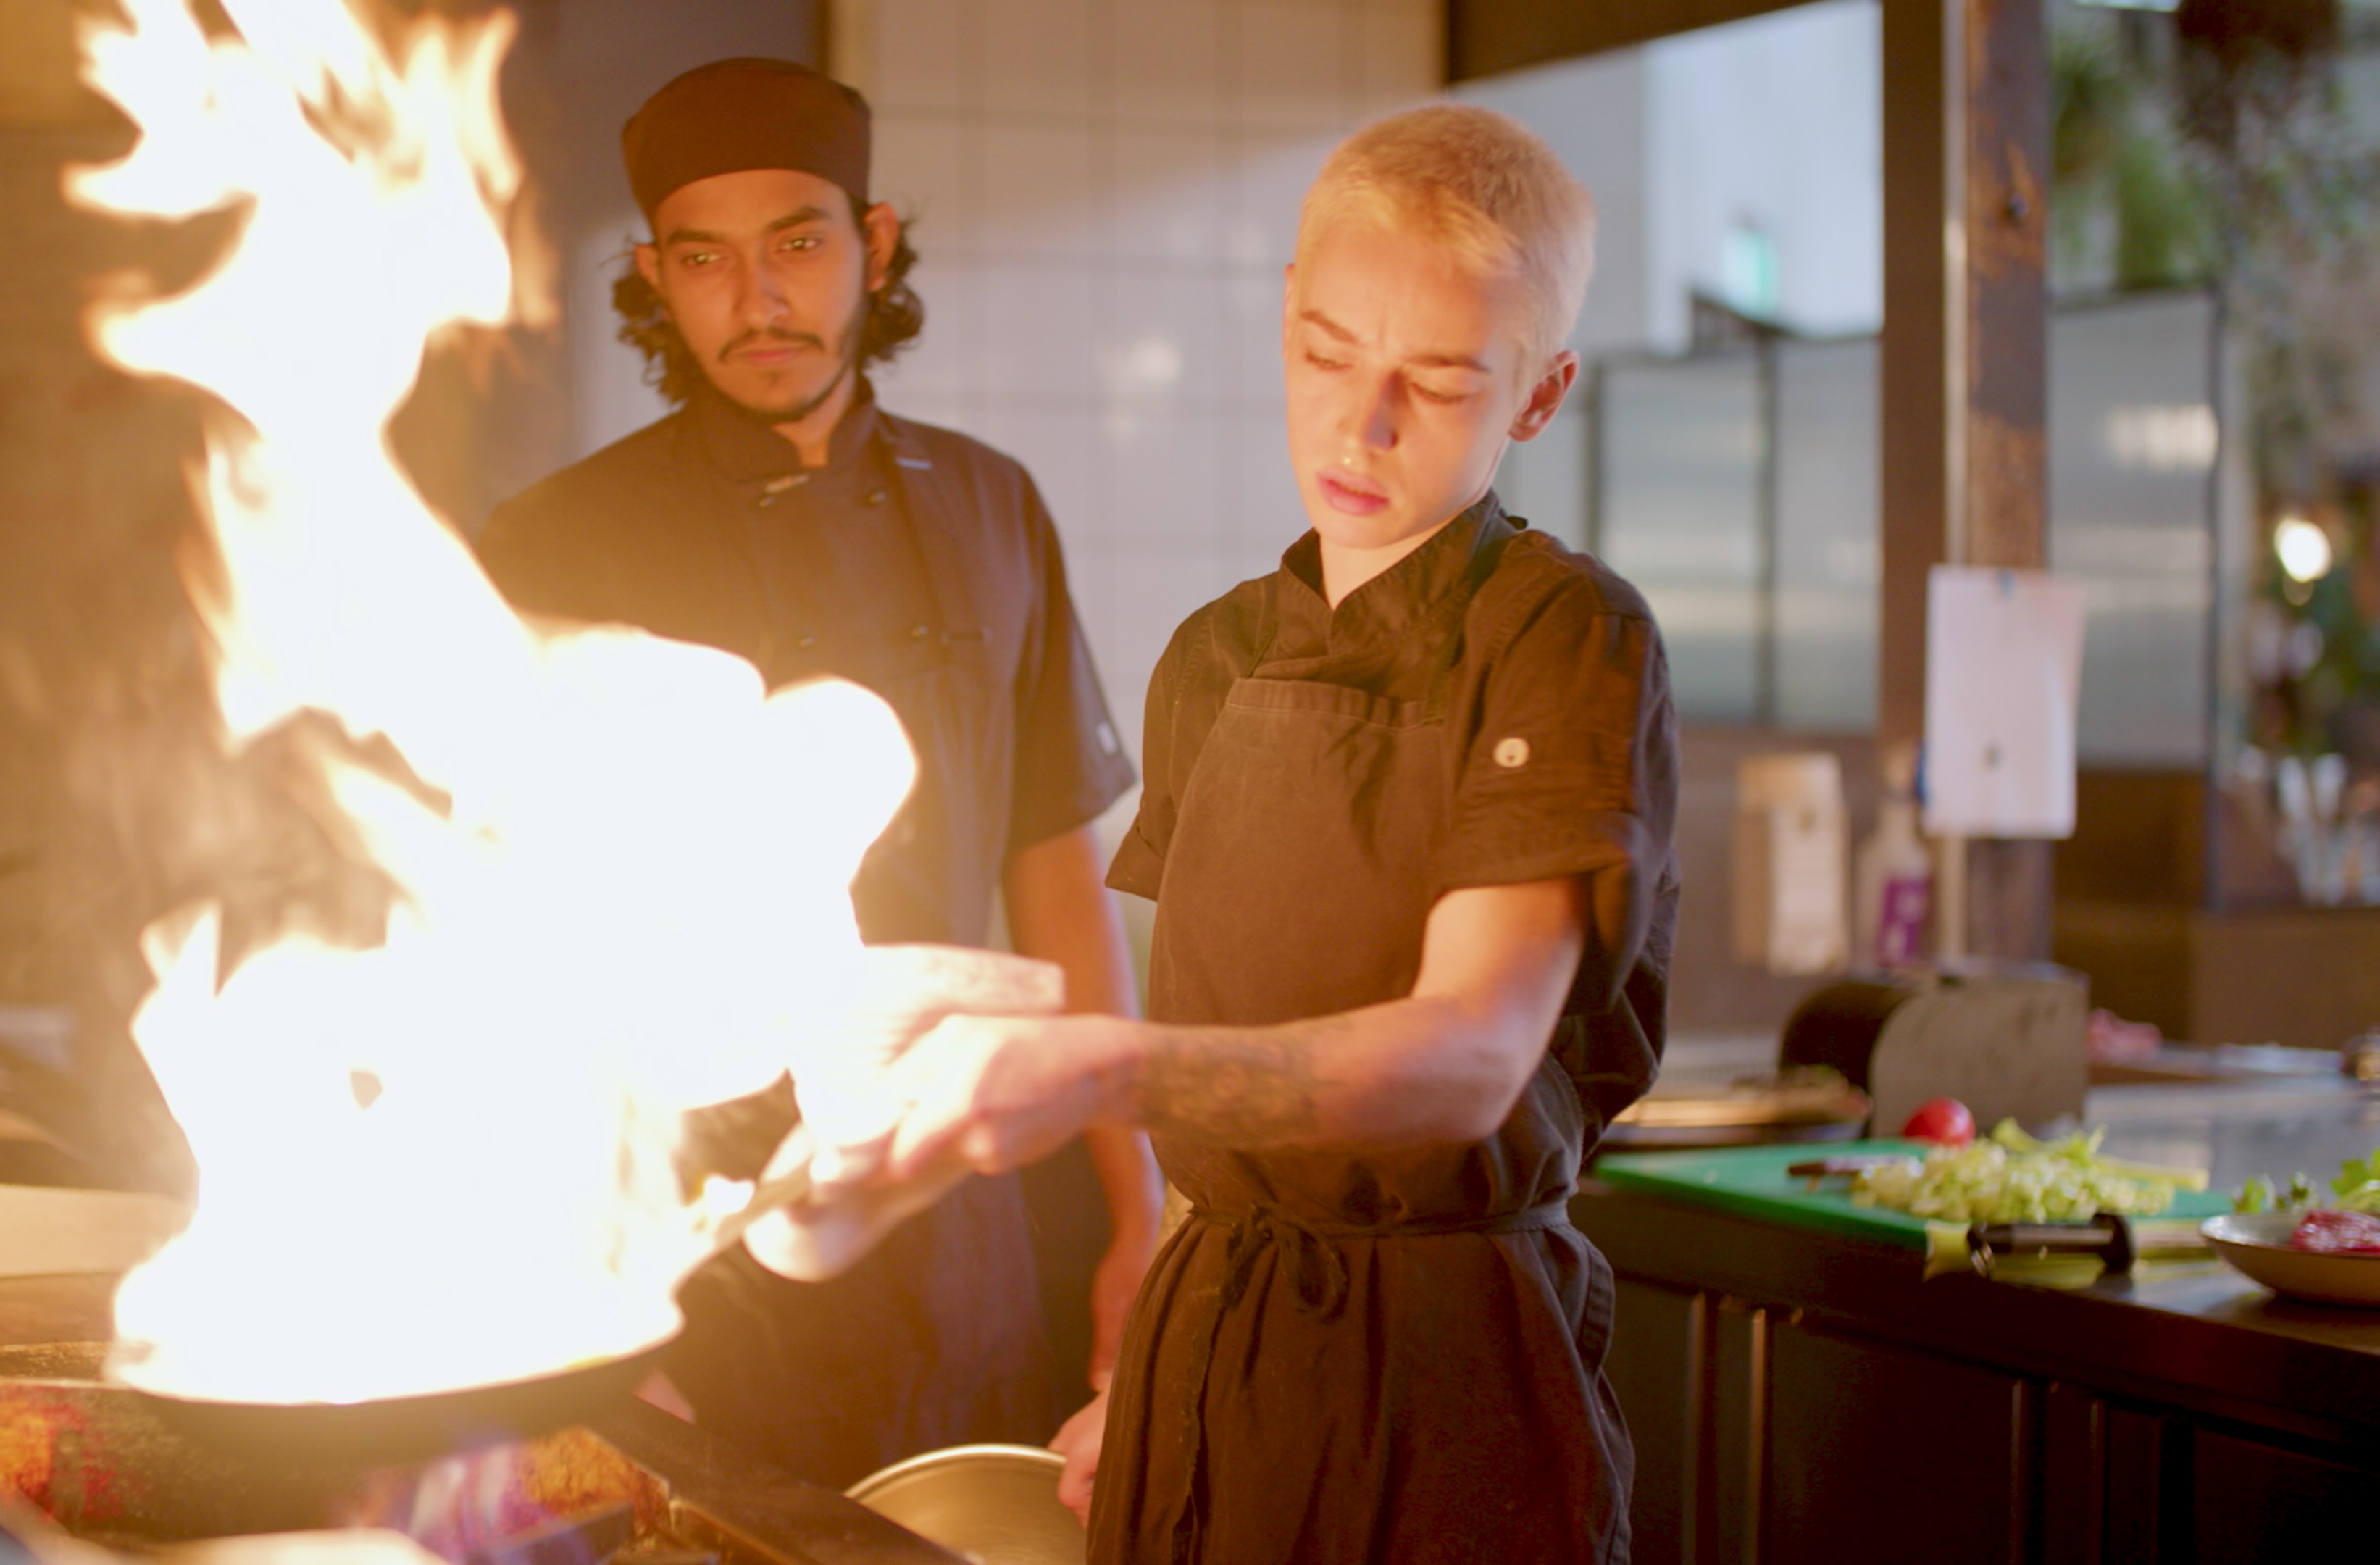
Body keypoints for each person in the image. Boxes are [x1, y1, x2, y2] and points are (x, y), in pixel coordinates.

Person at [856, 104, 1679, 1562]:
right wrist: (1149, 1367)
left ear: (1537, 398)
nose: (1360, 427)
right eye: (1323, 355)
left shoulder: (1562, 633)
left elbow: (1473, 1057)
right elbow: (1220, 1041)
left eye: (1434, 383)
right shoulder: (1212, 658)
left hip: (1445, 1377)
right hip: (1214, 1348)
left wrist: (1101, 1066)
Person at [471, 58, 1159, 1490]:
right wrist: (581, 1302)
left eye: (797, 241)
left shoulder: (991, 507)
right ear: (656, 277)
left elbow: (1057, 887)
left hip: (971, 1207)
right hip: (682, 1232)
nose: (758, 296)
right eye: (706, 259)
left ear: (876, 243)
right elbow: (499, 963)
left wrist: (1139, 1215)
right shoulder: (551, 543)